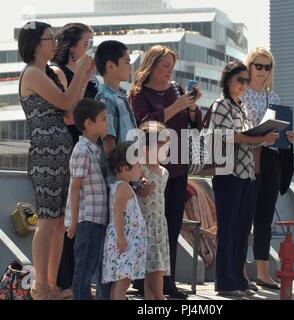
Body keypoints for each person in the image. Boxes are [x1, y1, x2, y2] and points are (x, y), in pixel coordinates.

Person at [18, 21, 91, 299]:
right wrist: (81, 71)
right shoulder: (33, 73)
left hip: (61, 152)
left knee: (60, 220)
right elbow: (63, 102)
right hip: (45, 154)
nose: (54, 43)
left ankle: (51, 283)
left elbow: (72, 111)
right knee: (48, 220)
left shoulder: (49, 73)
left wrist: (82, 78)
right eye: (50, 38)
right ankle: (40, 286)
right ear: (36, 43)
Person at [129, 45, 202, 298]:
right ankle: (141, 281)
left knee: (171, 224)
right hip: (151, 168)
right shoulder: (139, 93)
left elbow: (195, 122)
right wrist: (176, 106)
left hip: (178, 166)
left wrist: (191, 106)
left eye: (171, 66)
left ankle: (166, 282)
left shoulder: (176, 89)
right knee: (148, 224)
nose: (169, 71)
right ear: (152, 66)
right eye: (165, 66)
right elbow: (145, 123)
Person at [209, 61, 279, 297]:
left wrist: (265, 137)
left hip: (246, 174)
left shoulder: (241, 107)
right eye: (240, 80)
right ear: (228, 80)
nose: (244, 85)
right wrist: (254, 138)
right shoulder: (221, 105)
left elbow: (247, 136)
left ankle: (239, 278)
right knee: (228, 228)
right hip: (228, 174)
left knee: (241, 229)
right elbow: (228, 136)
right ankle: (225, 282)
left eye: (246, 81)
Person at [94, 40, 154, 299]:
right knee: (115, 258)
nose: (131, 66)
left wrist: (136, 181)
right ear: (110, 65)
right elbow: (109, 143)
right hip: (116, 182)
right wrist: (125, 177)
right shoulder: (105, 98)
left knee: (122, 262)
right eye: (127, 61)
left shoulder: (121, 96)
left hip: (126, 180)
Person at [242, 47, 294, 290]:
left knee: (264, 218)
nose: (263, 71)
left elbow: (277, 133)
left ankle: (263, 272)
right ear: (249, 66)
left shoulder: (273, 97)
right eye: (259, 65)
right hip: (248, 157)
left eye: (267, 67)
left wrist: (288, 136)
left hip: (272, 158)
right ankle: (240, 270)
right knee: (243, 217)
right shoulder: (240, 94)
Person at [51, 22, 98, 295]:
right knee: (67, 216)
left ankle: (78, 280)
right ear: (71, 47)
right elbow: (72, 114)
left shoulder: (88, 76)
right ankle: (64, 281)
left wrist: (87, 75)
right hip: (68, 148)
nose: (89, 49)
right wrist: (81, 75)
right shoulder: (59, 72)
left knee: (81, 216)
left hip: (87, 150)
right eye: (86, 44)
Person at [64, 98, 108, 300]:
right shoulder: (82, 150)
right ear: (89, 123)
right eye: (103, 119)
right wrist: (73, 221)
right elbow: (75, 187)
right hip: (87, 219)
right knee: (84, 267)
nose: (107, 123)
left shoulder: (94, 148)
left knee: (89, 266)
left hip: (97, 218)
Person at [102, 143, 147, 300]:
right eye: (138, 165)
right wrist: (121, 237)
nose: (141, 169)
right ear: (124, 168)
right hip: (125, 242)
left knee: (122, 280)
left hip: (127, 241)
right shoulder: (123, 188)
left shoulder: (123, 186)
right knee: (124, 280)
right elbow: (118, 213)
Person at [137, 121, 170, 300]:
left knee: (156, 266)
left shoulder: (164, 172)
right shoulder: (139, 169)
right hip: (144, 224)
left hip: (159, 225)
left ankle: (154, 298)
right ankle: (160, 297)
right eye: (161, 146)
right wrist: (139, 183)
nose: (165, 151)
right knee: (154, 267)